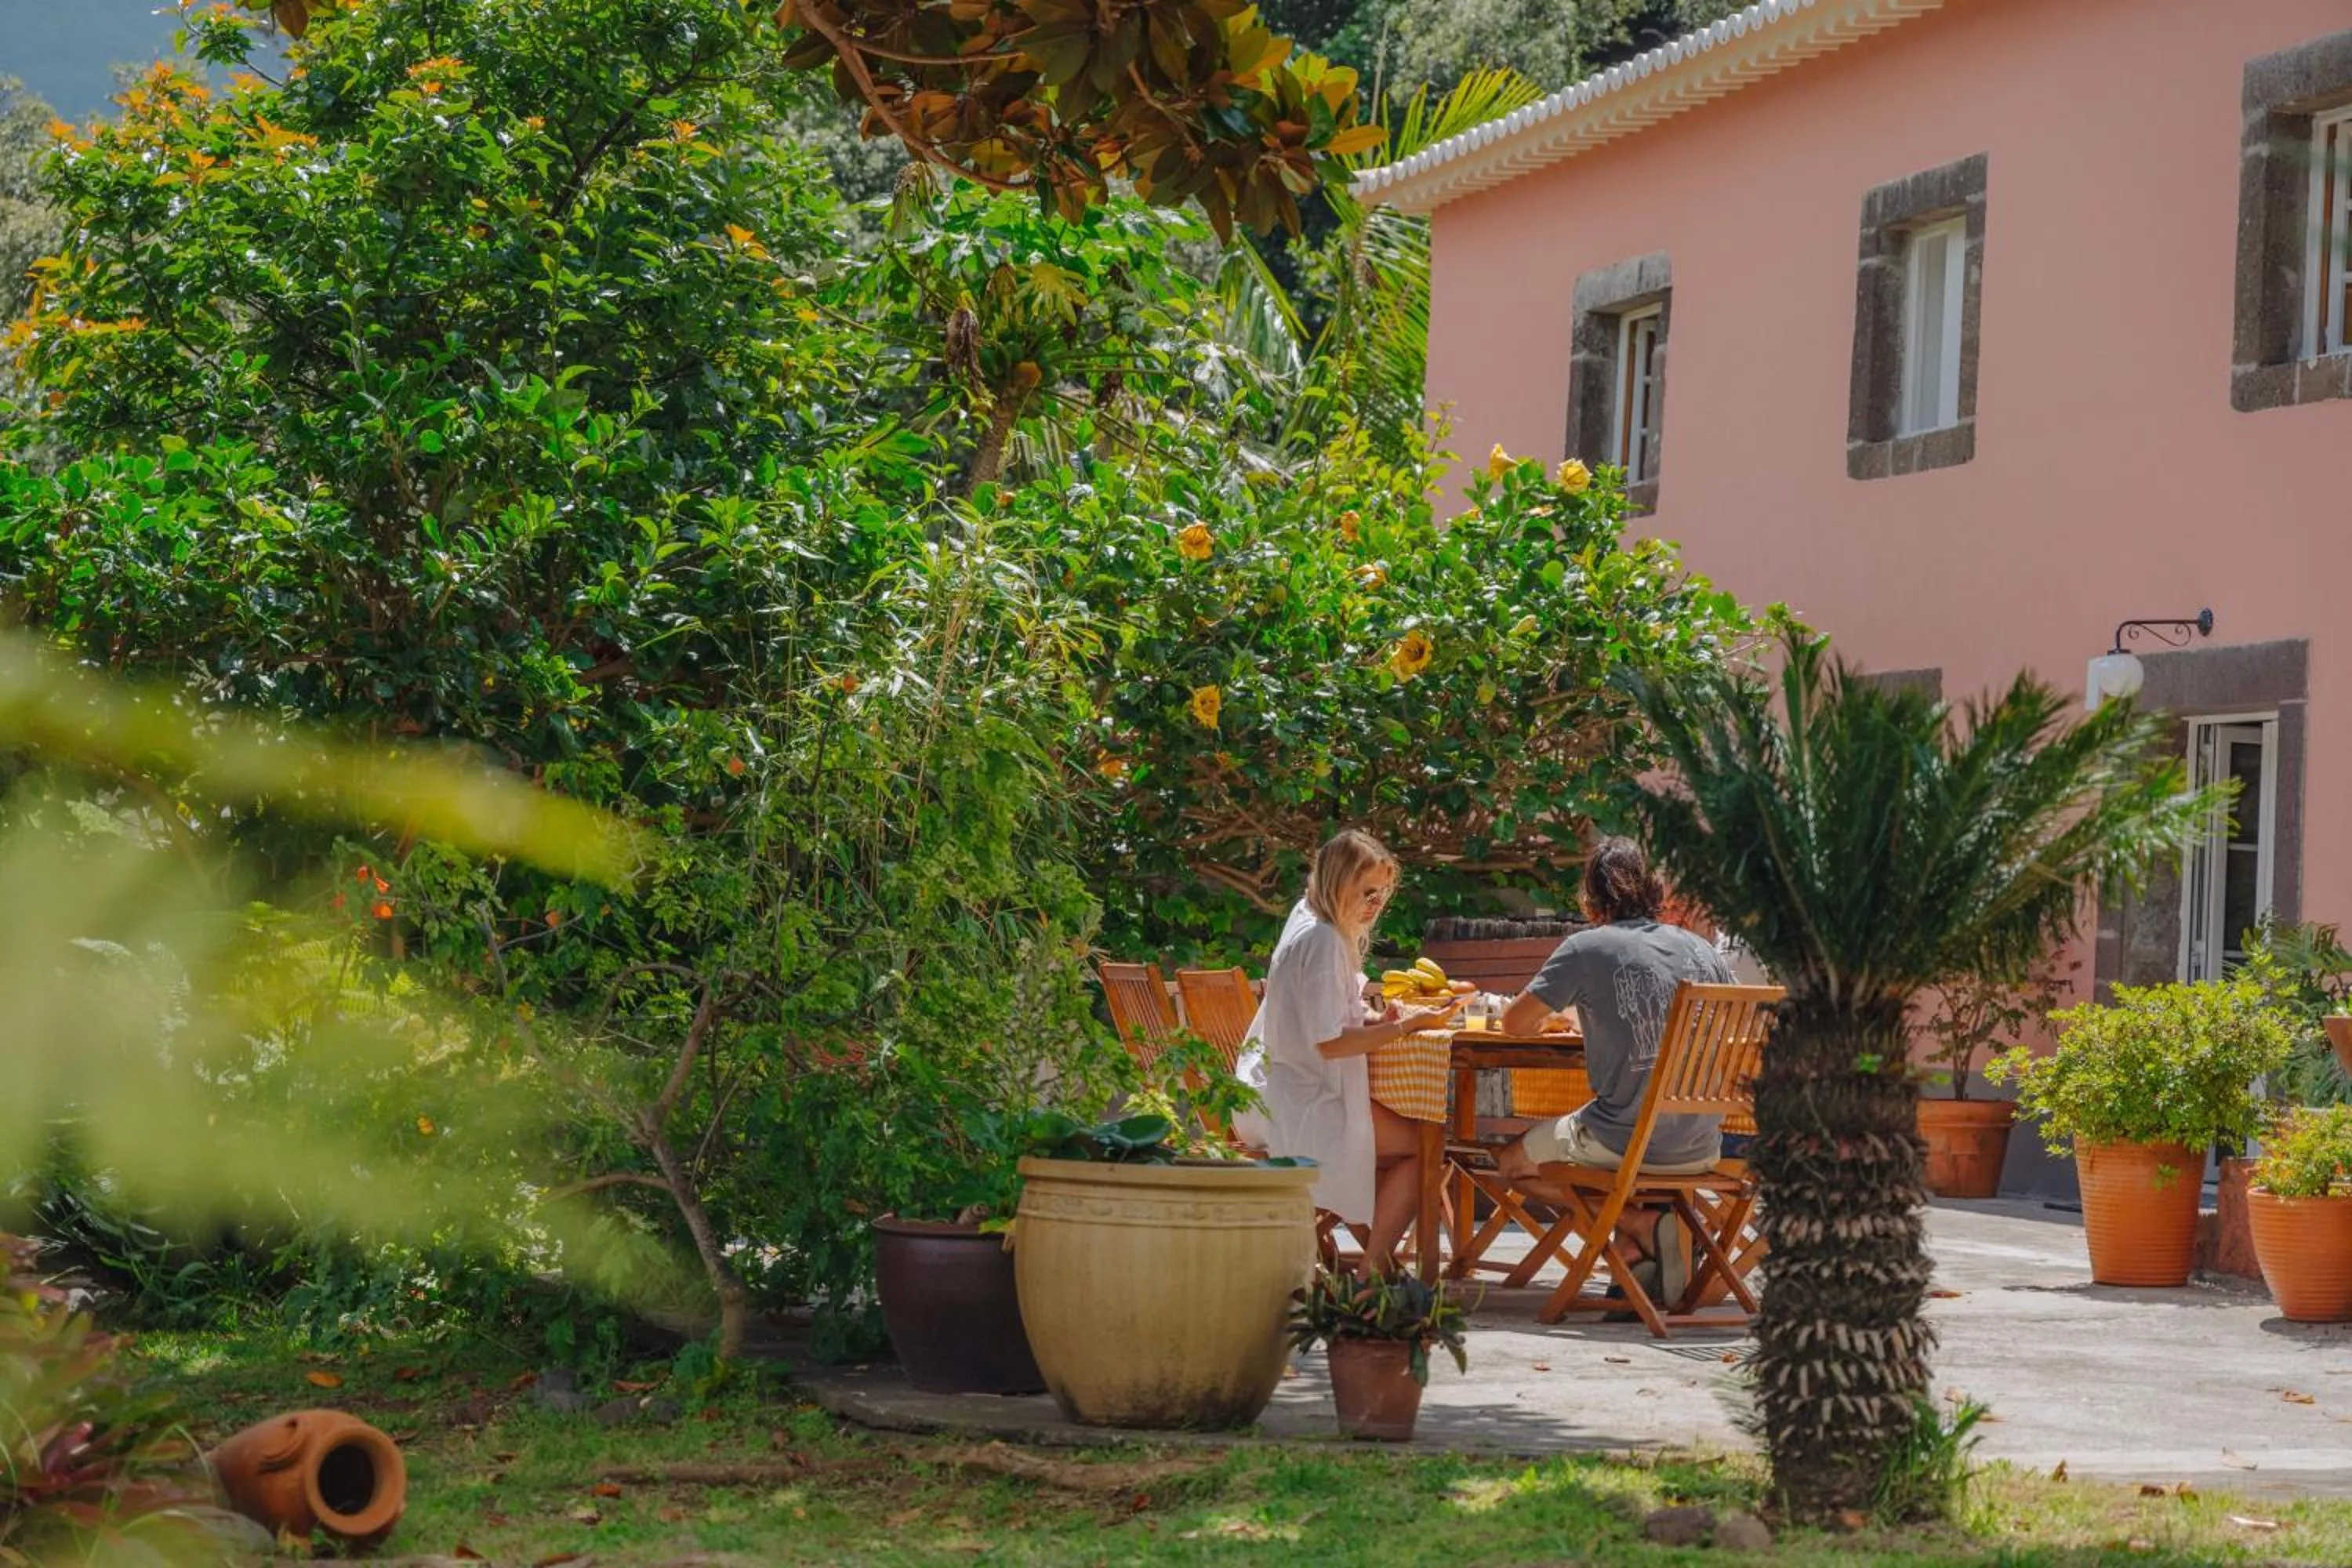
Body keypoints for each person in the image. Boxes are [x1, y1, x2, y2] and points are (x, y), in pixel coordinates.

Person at [1493, 837, 1733, 1308]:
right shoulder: (1703, 951)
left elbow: (1514, 1023)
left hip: (1625, 1140)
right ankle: (1631, 1263)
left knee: (1511, 1164)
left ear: (1592, 896)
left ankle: (1638, 1225)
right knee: (1603, 1153)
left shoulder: (1587, 948)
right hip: (1700, 1143)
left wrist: (1556, 1015)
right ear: (1654, 890)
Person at [1235, 829, 1469, 1272]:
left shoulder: (1306, 916)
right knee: (1425, 1147)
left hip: (1266, 1096)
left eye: (1383, 893)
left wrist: (1377, 1021)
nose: (1376, 904)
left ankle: (1376, 1268)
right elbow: (1330, 1044)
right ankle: (1373, 1274)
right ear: (1339, 882)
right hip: (1299, 1105)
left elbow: (1321, 1016)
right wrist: (1405, 1027)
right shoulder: (1324, 940)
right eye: (1368, 892)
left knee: (1394, 1147)